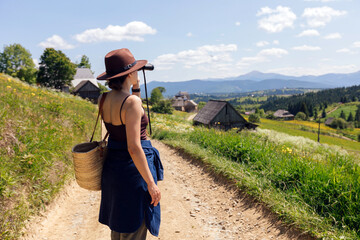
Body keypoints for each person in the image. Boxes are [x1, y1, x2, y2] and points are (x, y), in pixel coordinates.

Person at [96, 48, 163, 240]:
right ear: (129, 73)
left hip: (113, 170)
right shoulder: (131, 102)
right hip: (133, 172)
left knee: (119, 226)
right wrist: (151, 183)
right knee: (134, 227)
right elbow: (134, 147)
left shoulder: (104, 99)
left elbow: (134, 110)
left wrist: (135, 87)